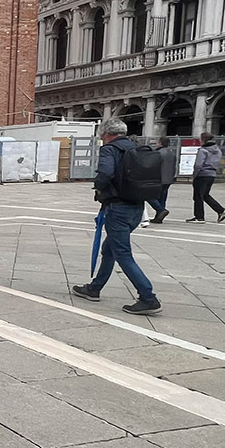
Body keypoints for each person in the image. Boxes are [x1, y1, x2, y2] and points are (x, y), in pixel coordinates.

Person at [72, 118, 161, 315]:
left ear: (106, 134)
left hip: (118, 208)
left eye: (102, 136)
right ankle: (95, 288)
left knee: (122, 254)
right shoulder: (136, 148)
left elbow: (105, 172)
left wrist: (98, 188)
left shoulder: (110, 149)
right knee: (109, 249)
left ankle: (148, 297)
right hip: (137, 207)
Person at [188, 132, 225, 223]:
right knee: (205, 194)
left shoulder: (203, 150)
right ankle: (220, 210)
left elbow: (198, 164)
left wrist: (194, 175)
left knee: (198, 196)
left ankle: (199, 217)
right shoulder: (218, 150)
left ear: (203, 140)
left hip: (202, 174)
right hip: (211, 174)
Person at [146, 141, 178, 224]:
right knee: (162, 197)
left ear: (160, 143)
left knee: (149, 195)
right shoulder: (172, 153)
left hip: (159, 178)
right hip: (168, 179)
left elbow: (154, 165)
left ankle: (161, 210)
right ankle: (159, 216)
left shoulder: (158, 153)